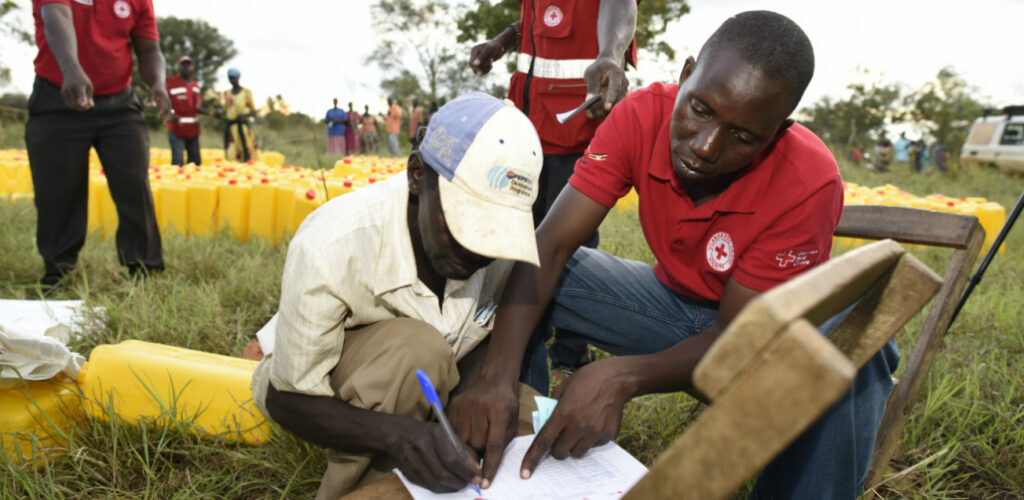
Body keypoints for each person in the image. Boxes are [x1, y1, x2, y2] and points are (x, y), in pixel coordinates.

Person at [448, 11, 899, 500]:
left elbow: (738, 336)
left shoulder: (807, 181)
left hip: (760, 337)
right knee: (528, 261)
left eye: (744, 136)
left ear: (779, 129)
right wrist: (496, 377)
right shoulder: (640, 115)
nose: (706, 147)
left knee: (854, 335)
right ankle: (516, 431)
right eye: (700, 109)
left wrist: (623, 376)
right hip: (671, 309)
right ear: (685, 75)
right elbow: (551, 244)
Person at [250, 93, 545, 499]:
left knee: (531, 421)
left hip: (439, 376)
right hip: (328, 388)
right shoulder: (335, 241)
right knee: (416, 353)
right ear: (418, 176)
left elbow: (486, 333)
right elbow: (287, 398)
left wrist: (479, 392)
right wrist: (403, 437)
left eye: (496, 232)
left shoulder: (499, 250)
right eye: (467, 225)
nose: (480, 251)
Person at [469, 0, 639, 377]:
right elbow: (539, 23)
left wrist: (612, 54)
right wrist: (501, 41)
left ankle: (571, 351)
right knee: (522, 235)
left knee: (566, 243)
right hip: (528, 127)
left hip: (573, 125)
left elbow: (620, 5)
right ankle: (522, 333)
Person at [25, 0, 169, 289]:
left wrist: (158, 83)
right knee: (58, 190)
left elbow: (150, 49)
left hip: (120, 102)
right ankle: (59, 271)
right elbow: (56, 13)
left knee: (133, 184)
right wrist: (72, 69)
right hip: (59, 94)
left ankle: (144, 268)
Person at [165, 55, 211, 166]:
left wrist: (211, 113)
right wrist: (171, 113)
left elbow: (197, 107)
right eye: (183, 65)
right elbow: (163, 100)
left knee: (195, 161)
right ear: (179, 67)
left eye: (188, 65)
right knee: (178, 160)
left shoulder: (195, 85)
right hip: (177, 126)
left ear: (192, 67)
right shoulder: (171, 82)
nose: (186, 68)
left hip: (192, 128)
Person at [221, 67, 258, 162]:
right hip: (232, 129)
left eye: (233, 77)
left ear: (238, 78)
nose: (231, 80)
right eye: (230, 78)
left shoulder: (246, 92)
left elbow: (254, 112)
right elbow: (225, 110)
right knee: (231, 155)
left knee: (246, 152)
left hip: (243, 128)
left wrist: (244, 116)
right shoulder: (226, 93)